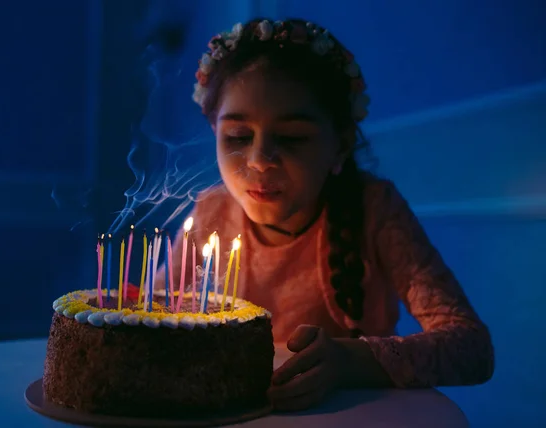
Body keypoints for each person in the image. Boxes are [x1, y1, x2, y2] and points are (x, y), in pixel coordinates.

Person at [157, 18, 494, 411]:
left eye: (293, 137)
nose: (260, 160)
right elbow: (159, 319)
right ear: (214, 130)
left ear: (340, 146)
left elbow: (471, 347)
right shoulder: (210, 213)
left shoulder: (374, 210)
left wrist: (349, 361)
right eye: (238, 136)